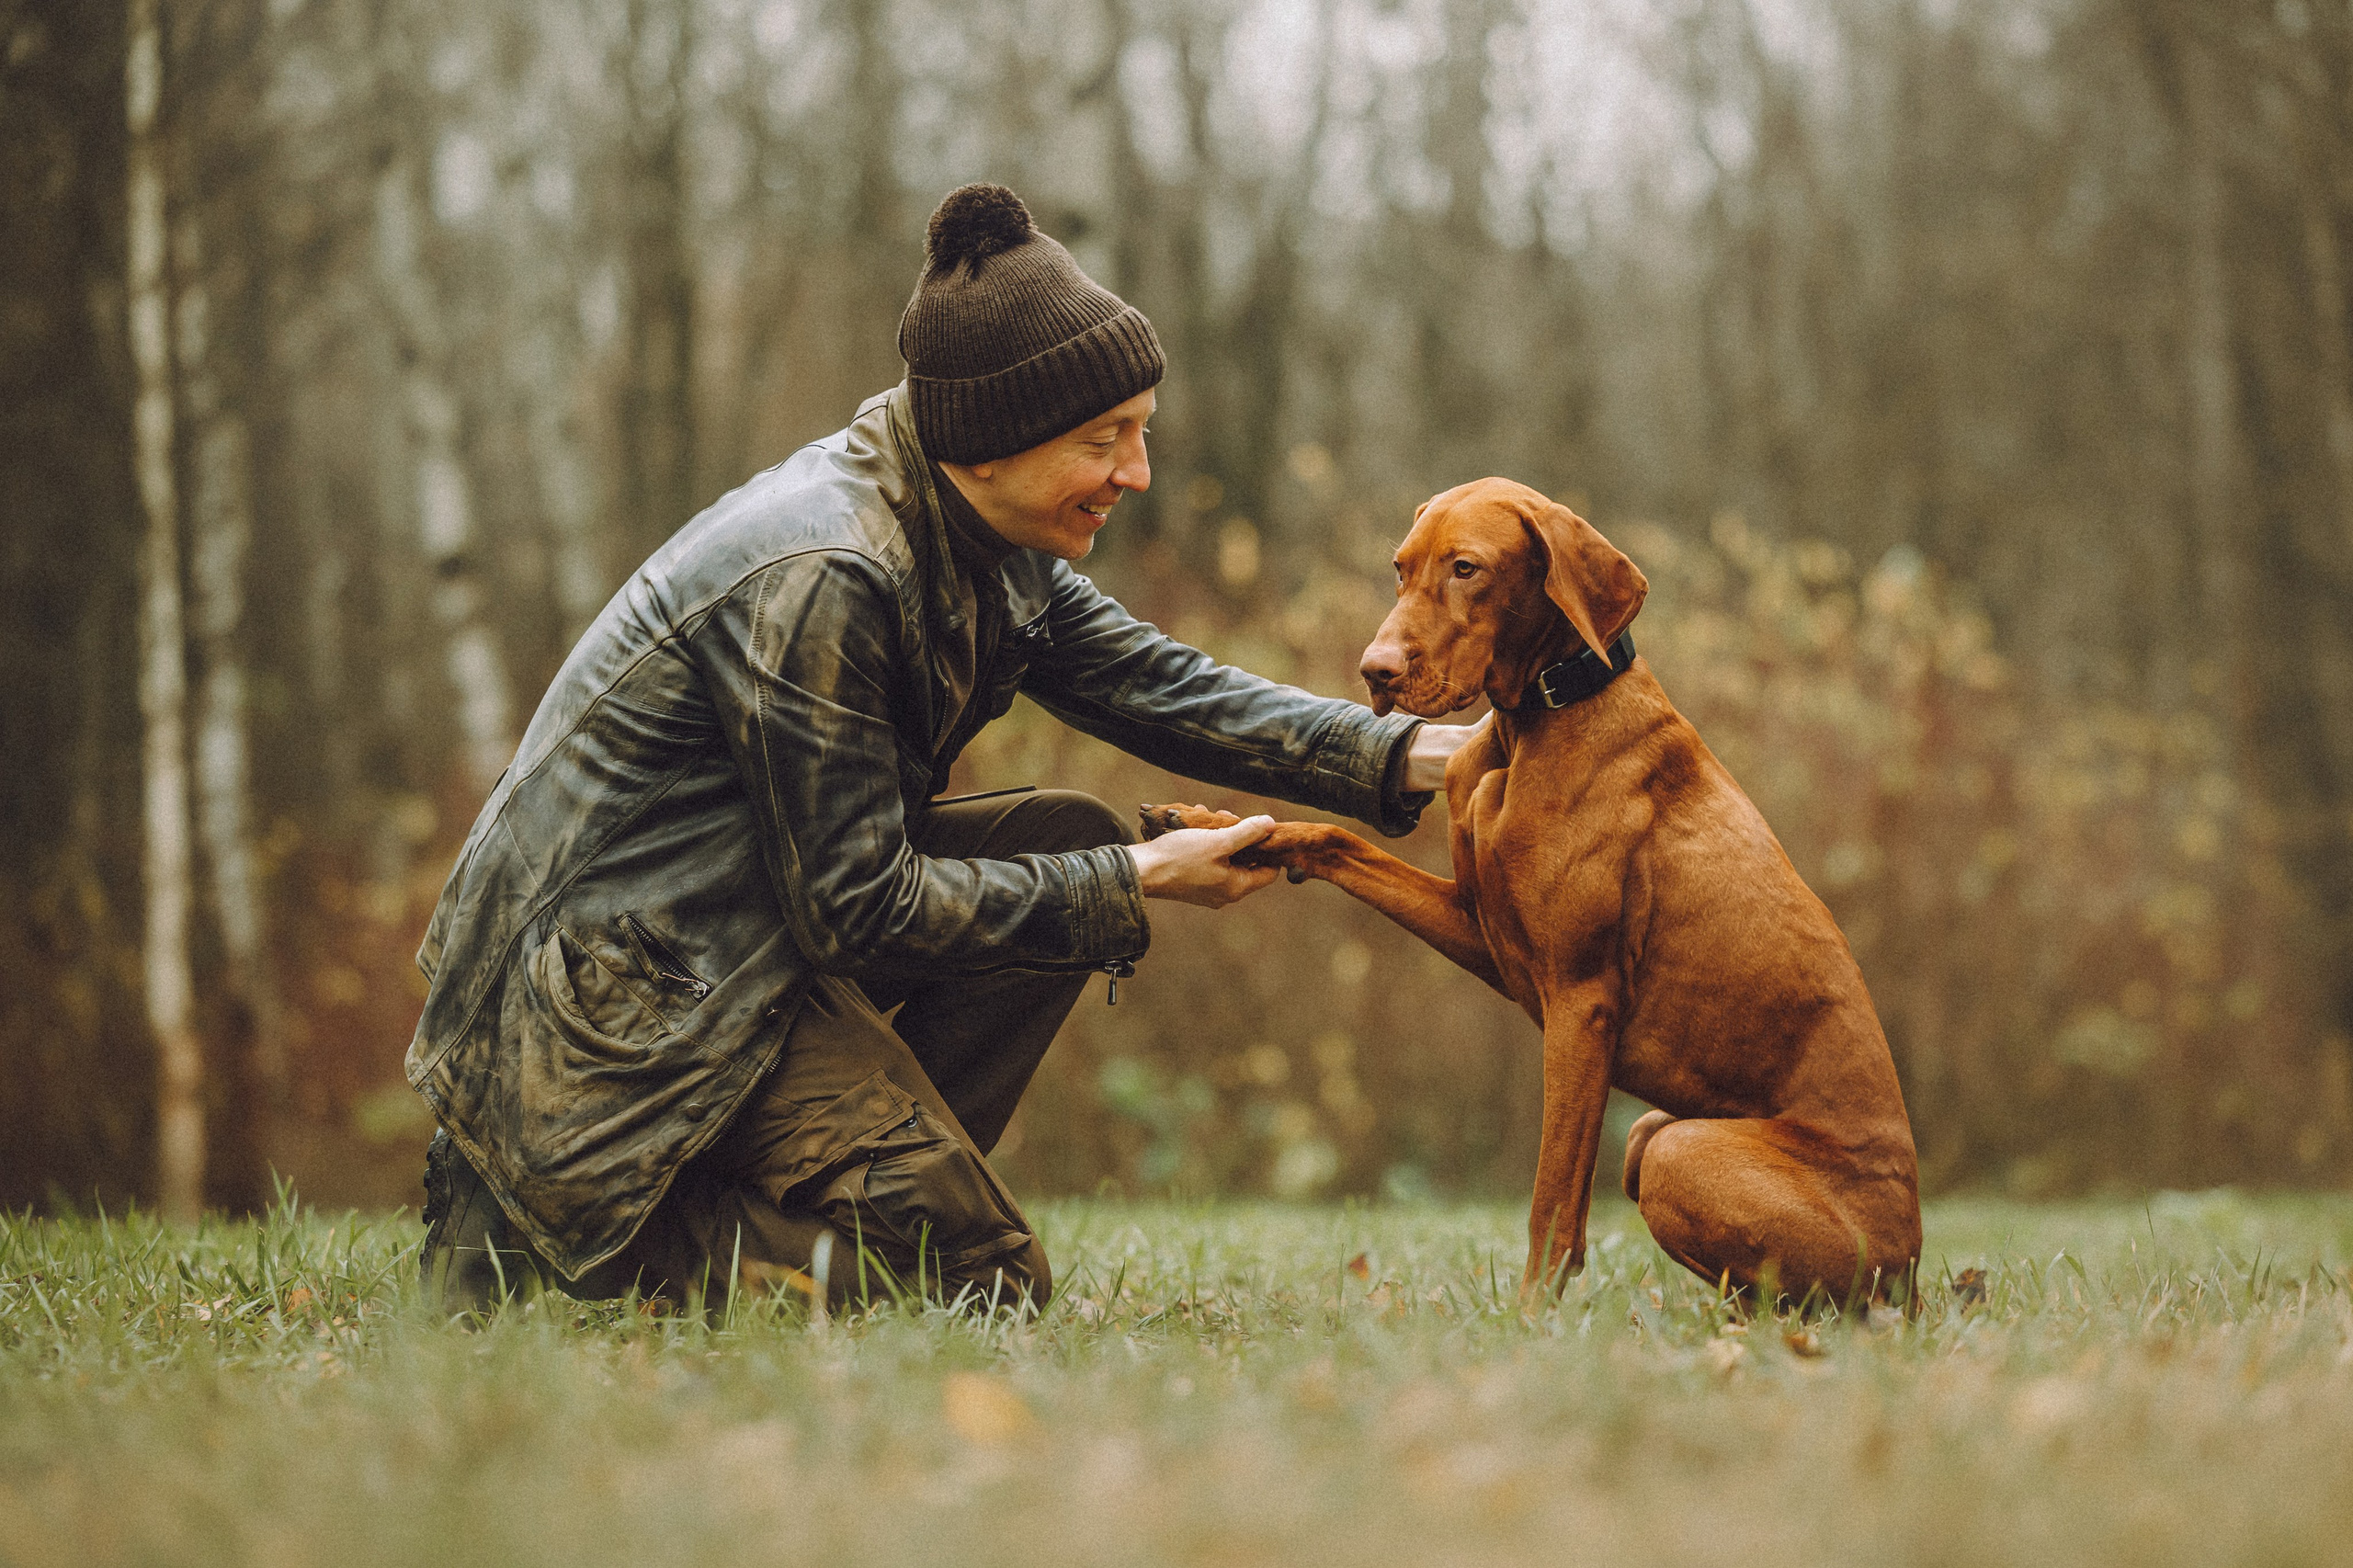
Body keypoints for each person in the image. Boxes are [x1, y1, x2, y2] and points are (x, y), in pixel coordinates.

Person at [413, 182, 1465, 1316]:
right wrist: (1136, 880)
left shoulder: (978, 526)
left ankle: (846, 1194)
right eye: (1103, 441)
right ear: (993, 443)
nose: (1136, 472)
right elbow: (856, 908)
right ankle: (571, 1257)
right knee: (980, 1279)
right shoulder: (831, 572)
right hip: (619, 1005)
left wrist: (1419, 756)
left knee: (1064, 838)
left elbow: (1161, 685)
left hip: (736, 947)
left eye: (1141, 432)